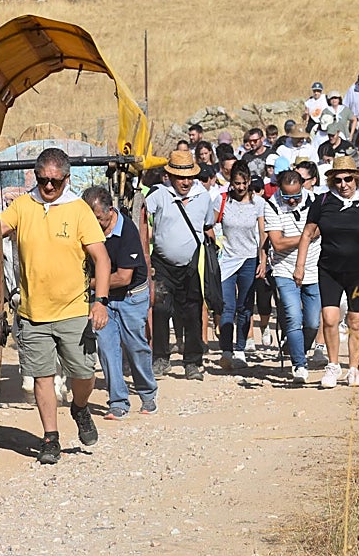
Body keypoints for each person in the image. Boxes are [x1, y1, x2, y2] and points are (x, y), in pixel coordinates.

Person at [0, 148, 111, 465]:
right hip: (33, 313)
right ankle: (51, 438)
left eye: (55, 181)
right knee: (42, 376)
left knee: (84, 373)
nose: (48, 186)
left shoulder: (78, 210)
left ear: (66, 179)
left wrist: (100, 302)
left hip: (74, 310)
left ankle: (80, 407)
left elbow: (102, 259)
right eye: (43, 180)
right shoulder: (23, 206)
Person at [293, 156, 359, 389]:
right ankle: (333, 365)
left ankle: (354, 369)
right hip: (329, 269)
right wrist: (300, 266)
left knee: (356, 320)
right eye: (338, 180)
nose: (343, 184)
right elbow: (307, 234)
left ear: (356, 179)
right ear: (332, 181)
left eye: (348, 179)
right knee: (329, 318)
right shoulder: (323, 202)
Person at [82, 186, 157, 419]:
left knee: (135, 347)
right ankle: (118, 401)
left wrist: (87, 283)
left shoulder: (127, 232)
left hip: (131, 297)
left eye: (98, 218)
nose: (95, 223)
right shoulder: (87, 232)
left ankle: (147, 393)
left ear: (110, 210)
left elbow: (124, 277)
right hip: (103, 300)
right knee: (106, 349)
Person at [145, 149, 215, 381]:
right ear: (171, 177)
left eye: (189, 177)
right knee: (161, 309)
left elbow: (208, 225)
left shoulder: (203, 196)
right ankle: (161, 358)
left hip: (192, 264)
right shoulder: (158, 194)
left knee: (193, 311)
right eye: (180, 177)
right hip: (163, 263)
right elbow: (142, 218)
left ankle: (192, 362)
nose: (185, 182)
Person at [265, 169, 320, 384]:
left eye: (296, 195)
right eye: (287, 196)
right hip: (284, 269)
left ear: (303, 187)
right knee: (293, 316)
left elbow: (322, 229)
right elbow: (278, 243)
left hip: (313, 269)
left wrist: (305, 236)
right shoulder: (271, 205)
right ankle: (299, 364)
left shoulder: (316, 201)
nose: (292, 200)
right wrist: (307, 236)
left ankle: (297, 347)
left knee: (313, 322)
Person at [215, 162, 266, 369]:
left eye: (244, 183)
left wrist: (263, 259)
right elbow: (210, 225)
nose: (241, 187)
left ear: (249, 182)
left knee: (245, 307)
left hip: (249, 259)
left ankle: (240, 349)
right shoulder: (222, 201)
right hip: (226, 259)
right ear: (231, 182)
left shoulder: (258, 203)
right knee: (227, 306)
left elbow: (262, 233)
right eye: (237, 183)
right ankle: (226, 350)